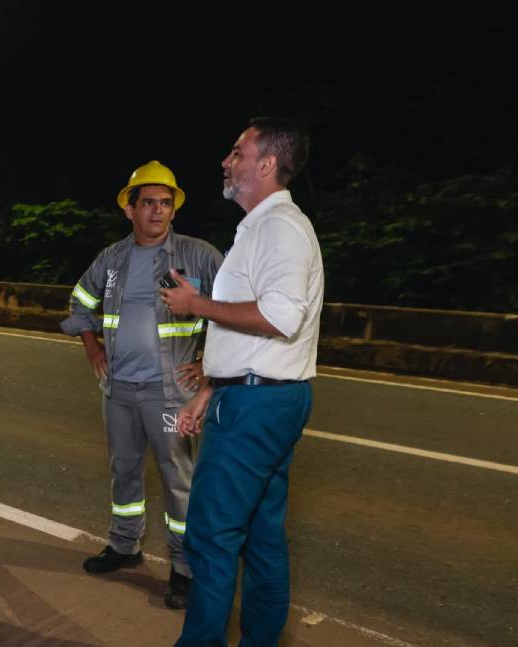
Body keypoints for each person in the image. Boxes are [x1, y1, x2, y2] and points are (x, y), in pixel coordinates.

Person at [161, 117, 323, 646]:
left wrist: (195, 304)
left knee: (210, 536)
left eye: (237, 152)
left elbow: (280, 317)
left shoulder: (280, 228)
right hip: (259, 396)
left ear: (267, 164)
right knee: (261, 536)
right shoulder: (260, 227)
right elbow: (253, 331)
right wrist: (210, 387)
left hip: (257, 406)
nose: (226, 161)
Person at [61, 161, 222, 609]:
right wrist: (92, 349)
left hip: (170, 391)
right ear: (129, 210)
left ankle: (185, 568)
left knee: (179, 481)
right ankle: (124, 545)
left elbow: (232, 311)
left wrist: (212, 364)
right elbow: (79, 303)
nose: (157, 210)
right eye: (148, 202)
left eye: (165, 203)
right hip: (120, 389)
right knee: (124, 471)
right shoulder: (111, 260)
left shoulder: (199, 256)